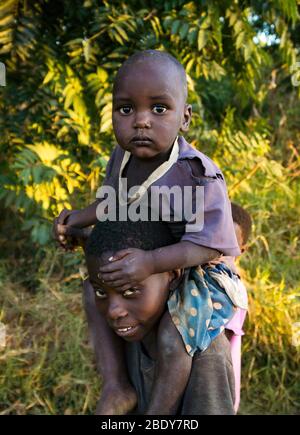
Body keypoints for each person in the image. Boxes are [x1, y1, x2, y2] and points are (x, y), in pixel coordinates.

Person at [53, 50, 244, 414]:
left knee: (174, 339)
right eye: (126, 109)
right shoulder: (123, 156)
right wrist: (78, 219)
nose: (140, 121)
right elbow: (116, 204)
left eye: (158, 109)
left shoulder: (197, 174)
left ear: (184, 118)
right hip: (151, 262)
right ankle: (116, 386)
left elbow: (210, 245)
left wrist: (152, 262)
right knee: (93, 291)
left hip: (199, 271)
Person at [83, 219, 236, 415]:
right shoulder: (131, 329)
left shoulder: (206, 359)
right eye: (102, 293)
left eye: (130, 291)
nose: (114, 311)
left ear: (172, 276)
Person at [225, 203, 252, 412]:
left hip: (219, 393)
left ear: (241, 251)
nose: (220, 250)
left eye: (229, 245)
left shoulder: (234, 289)